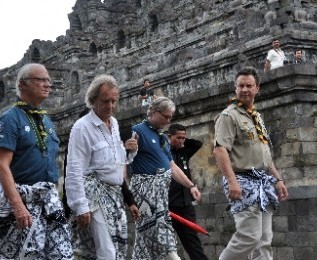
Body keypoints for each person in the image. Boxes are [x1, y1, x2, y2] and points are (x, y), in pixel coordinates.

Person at [213, 66, 288, 260]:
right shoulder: (229, 116)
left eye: (249, 85)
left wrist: (278, 179)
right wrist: (231, 181)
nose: (245, 89)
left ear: (257, 88)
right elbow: (220, 150)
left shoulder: (257, 117)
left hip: (263, 181)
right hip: (242, 181)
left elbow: (264, 154)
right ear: (235, 89)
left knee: (264, 240)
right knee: (249, 236)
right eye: (241, 86)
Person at [0, 63, 73, 259]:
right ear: (23, 85)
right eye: (40, 80)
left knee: (62, 252)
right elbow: (1, 165)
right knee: (27, 254)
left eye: (48, 80)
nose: (47, 84)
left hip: (50, 200)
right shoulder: (10, 119)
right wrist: (17, 205)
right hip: (24, 200)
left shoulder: (46, 120)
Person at [65, 74, 140, 259]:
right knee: (107, 251)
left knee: (118, 248)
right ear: (93, 100)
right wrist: (80, 206)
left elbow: (115, 161)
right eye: (106, 101)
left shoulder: (113, 123)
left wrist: (129, 151)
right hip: (94, 196)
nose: (111, 106)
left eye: (114, 101)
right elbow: (74, 170)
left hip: (114, 195)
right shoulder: (82, 127)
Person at [130, 96, 201, 260]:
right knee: (163, 239)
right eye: (165, 116)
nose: (168, 121)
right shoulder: (138, 131)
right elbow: (124, 159)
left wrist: (191, 186)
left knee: (144, 243)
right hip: (145, 194)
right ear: (154, 112)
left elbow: (172, 166)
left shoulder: (162, 138)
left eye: (171, 117)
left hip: (162, 196)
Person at [168, 123, 208, 260]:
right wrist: (168, 142)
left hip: (185, 204)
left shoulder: (184, 151)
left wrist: (183, 141)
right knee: (166, 245)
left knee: (193, 242)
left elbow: (197, 144)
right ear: (169, 137)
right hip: (168, 205)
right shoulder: (164, 153)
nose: (181, 140)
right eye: (178, 138)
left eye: (183, 138)